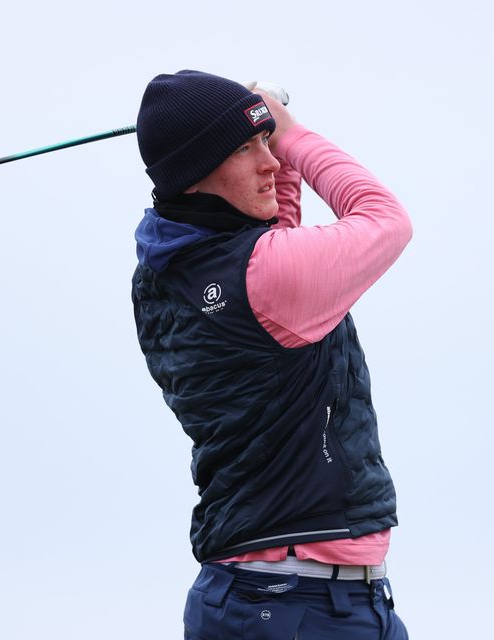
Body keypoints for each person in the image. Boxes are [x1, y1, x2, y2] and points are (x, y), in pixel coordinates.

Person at [132, 70, 412, 639]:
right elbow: (387, 221)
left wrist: (256, 130)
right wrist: (290, 133)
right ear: (193, 174)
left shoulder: (173, 268)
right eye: (245, 148)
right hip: (291, 602)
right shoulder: (265, 274)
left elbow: (271, 234)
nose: (270, 162)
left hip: (291, 598)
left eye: (264, 144)